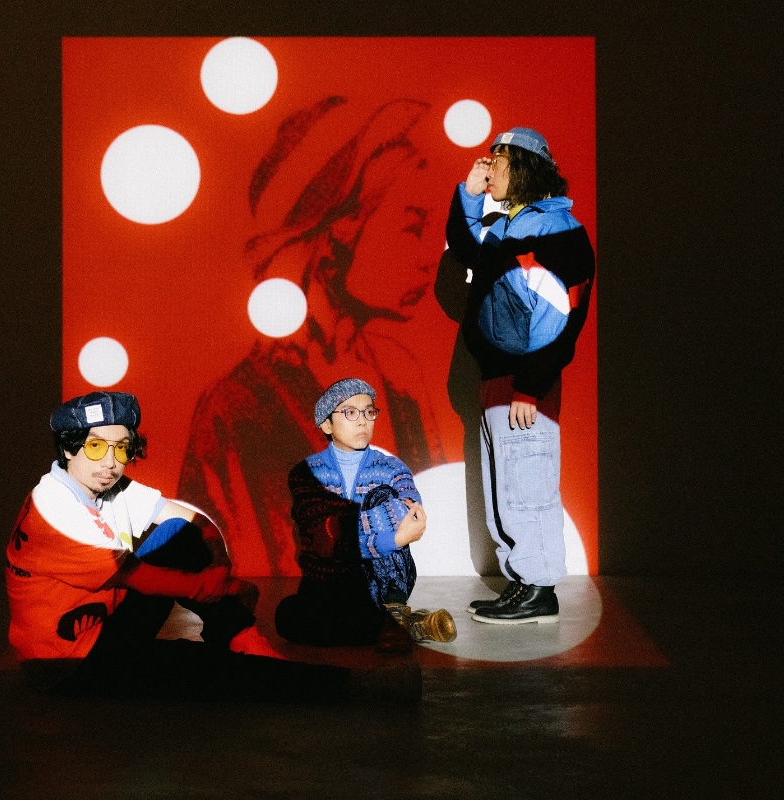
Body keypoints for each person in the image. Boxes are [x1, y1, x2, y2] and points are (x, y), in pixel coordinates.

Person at [177, 97, 448, 578]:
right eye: (412, 227)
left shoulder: (400, 375)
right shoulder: (236, 410)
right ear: (337, 229)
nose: (430, 257)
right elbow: (234, 571)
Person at [4, 390, 419, 701]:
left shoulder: (103, 487)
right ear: (68, 447)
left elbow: (194, 521)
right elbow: (141, 579)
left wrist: (219, 564)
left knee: (180, 534)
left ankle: (242, 639)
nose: (110, 462)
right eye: (96, 447)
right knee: (212, 672)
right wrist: (221, 589)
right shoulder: (54, 508)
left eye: (121, 448)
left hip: (106, 632)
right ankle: (356, 687)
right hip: (68, 666)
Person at [444, 127, 595, 624]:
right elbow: (466, 248)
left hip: (523, 384)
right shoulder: (509, 225)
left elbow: (561, 315)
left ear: (525, 168)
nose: (489, 168)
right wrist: (470, 194)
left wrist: (529, 385)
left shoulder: (554, 229)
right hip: (499, 380)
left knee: (526, 489)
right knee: (504, 490)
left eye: (499, 161)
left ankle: (538, 591)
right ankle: (522, 584)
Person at [275, 378, 457, 651]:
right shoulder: (305, 473)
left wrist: (340, 528)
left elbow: (410, 511)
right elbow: (320, 540)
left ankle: (393, 615)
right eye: (350, 412)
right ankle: (404, 626)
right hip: (327, 583)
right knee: (287, 617)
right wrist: (392, 540)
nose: (362, 421)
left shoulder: (392, 468)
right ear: (326, 424)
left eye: (369, 412)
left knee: (381, 495)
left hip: (378, 584)